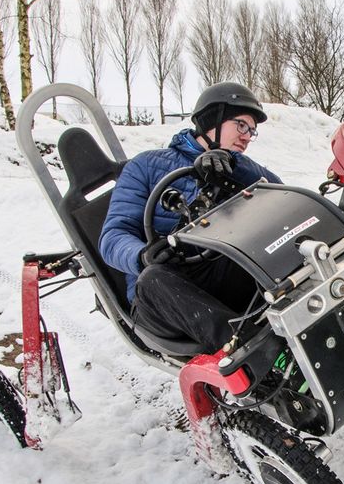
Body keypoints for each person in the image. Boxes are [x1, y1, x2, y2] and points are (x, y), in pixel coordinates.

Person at [99, 82, 282, 353]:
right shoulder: (146, 165)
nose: (247, 136)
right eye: (241, 125)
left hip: (217, 278)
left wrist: (234, 166)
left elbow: (280, 196)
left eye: (252, 131)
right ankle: (258, 354)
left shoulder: (238, 168)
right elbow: (112, 237)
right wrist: (143, 255)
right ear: (212, 120)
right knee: (153, 279)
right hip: (165, 296)